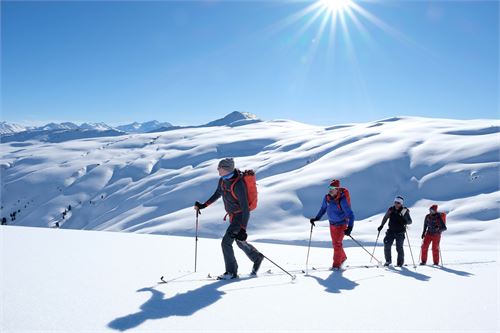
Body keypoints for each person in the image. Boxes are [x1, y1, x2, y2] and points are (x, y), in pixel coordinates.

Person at [194, 158, 264, 280]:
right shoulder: (222, 181)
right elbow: (217, 194)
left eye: (219, 168)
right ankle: (257, 257)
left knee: (226, 242)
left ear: (226, 169)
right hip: (233, 216)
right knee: (238, 241)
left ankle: (231, 272)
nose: (218, 170)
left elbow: (245, 208)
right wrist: (203, 205)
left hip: (240, 216)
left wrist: (243, 229)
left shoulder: (238, 184)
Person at [309, 179, 355, 270]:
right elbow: (323, 209)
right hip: (332, 224)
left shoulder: (342, 200)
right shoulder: (327, 198)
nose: (330, 190)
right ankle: (343, 258)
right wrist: (317, 218)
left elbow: (350, 214)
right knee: (335, 244)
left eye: (333, 188)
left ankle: (336, 266)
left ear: (337, 189)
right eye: (330, 187)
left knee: (337, 245)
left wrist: (350, 227)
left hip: (341, 224)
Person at [378, 196, 412, 267]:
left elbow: (410, 221)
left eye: (398, 203)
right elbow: (385, 217)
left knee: (399, 247)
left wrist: (404, 218)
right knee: (387, 245)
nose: (396, 204)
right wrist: (381, 225)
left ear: (401, 204)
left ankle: (400, 263)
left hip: (400, 232)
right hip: (390, 231)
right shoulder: (391, 209)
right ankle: (388, 261)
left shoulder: (404, 211)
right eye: (395, 202)